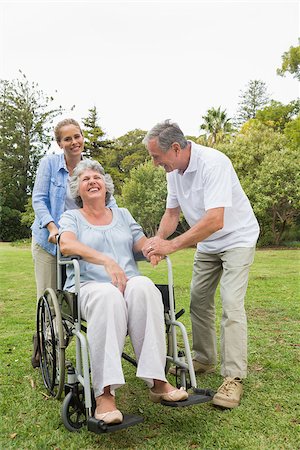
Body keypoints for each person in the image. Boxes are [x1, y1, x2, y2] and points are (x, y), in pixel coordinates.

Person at [58, 159, 188, 425]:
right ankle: (104, 394)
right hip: (90, 287)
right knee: (108, 297)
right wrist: (105, 260)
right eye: (85, 179)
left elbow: (139, 243)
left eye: (97, 177)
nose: (93, 181)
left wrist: (152, 248)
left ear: (106, 186)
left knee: (145, 287)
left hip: (127, 282)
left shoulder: (124, 215)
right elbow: (67, 245)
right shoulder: (71, 217)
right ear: (77, 190)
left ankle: (158, 381)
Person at [141, 120, 259, 409]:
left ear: (177, 148)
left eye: (157, 157)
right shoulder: (175, 172)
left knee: (231, 304)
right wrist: (158, 241)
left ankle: (233, 378)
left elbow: (215, 220)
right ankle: (204, 357)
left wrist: (173, 245)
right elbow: (172, 214)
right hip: (208, 243)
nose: (156, 163)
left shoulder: (213, 163)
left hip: (237, 238)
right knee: (198, 300)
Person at [30, 118, 117, 367]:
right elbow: (39, 199)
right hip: (49, 240)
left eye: (77, 136)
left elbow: (107, 199)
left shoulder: (91, 166)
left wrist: (117, 221)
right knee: (49, 296)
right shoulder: (48, 164)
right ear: (60, 143)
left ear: (82, 138)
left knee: (71, 296)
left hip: (77, 241)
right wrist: (52, 227)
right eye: (67, 138)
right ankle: (45, 350)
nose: (74, 142)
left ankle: (61, 343)